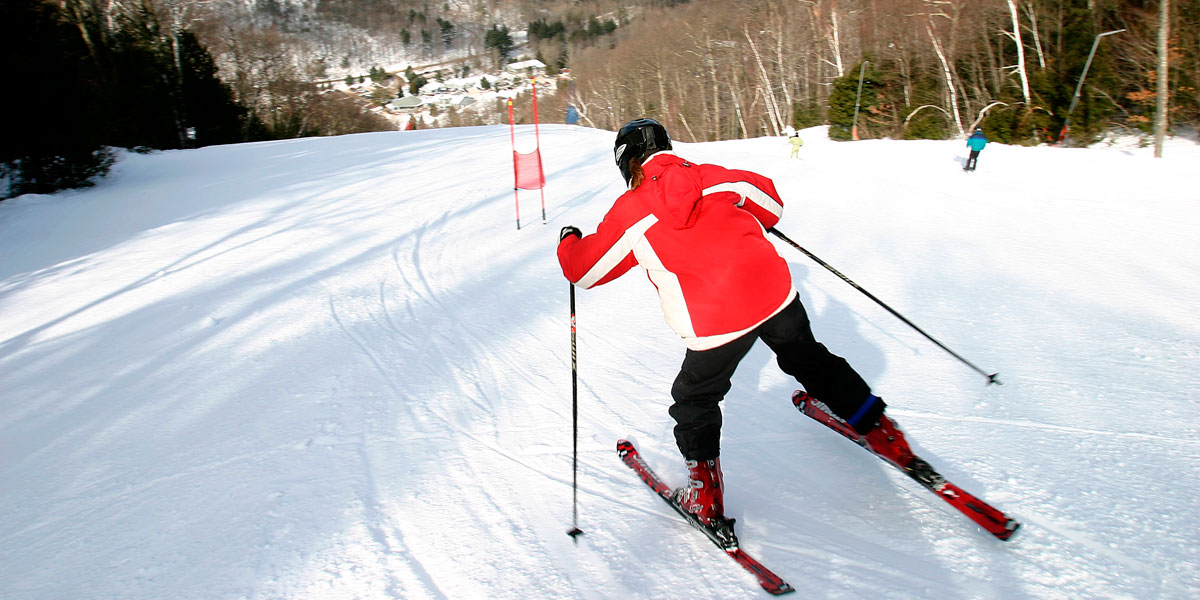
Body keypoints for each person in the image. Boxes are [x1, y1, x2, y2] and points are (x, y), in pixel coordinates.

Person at [556, 118, 909, 531]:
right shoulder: (718, 177)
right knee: (813, 361)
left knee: (694, 399)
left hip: (714, 322)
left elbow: (585, 271)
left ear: (629, 163)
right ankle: (881, 430)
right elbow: (772, 206)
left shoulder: (631, 210)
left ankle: (704, 495)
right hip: (775, 296)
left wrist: (569, 239)